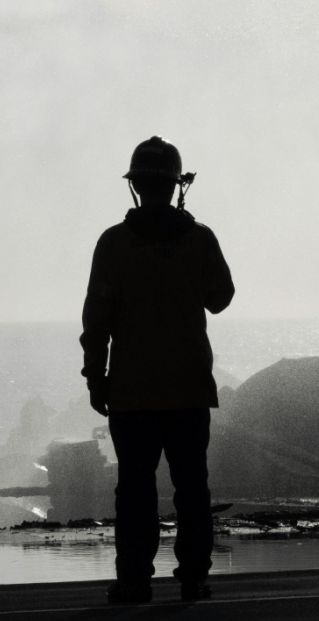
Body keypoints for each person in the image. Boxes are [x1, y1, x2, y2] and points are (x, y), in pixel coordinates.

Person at [79, 136, 234, 605]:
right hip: (188, 390)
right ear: (175, 186)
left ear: (137, 187)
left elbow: (96, 318)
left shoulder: (114, 243)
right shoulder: (199, 238)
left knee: (135, 492)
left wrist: (95, 375)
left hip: (133, 392)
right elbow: (220, 298)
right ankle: (193, 579)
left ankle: (133, 582)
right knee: (192, 489)